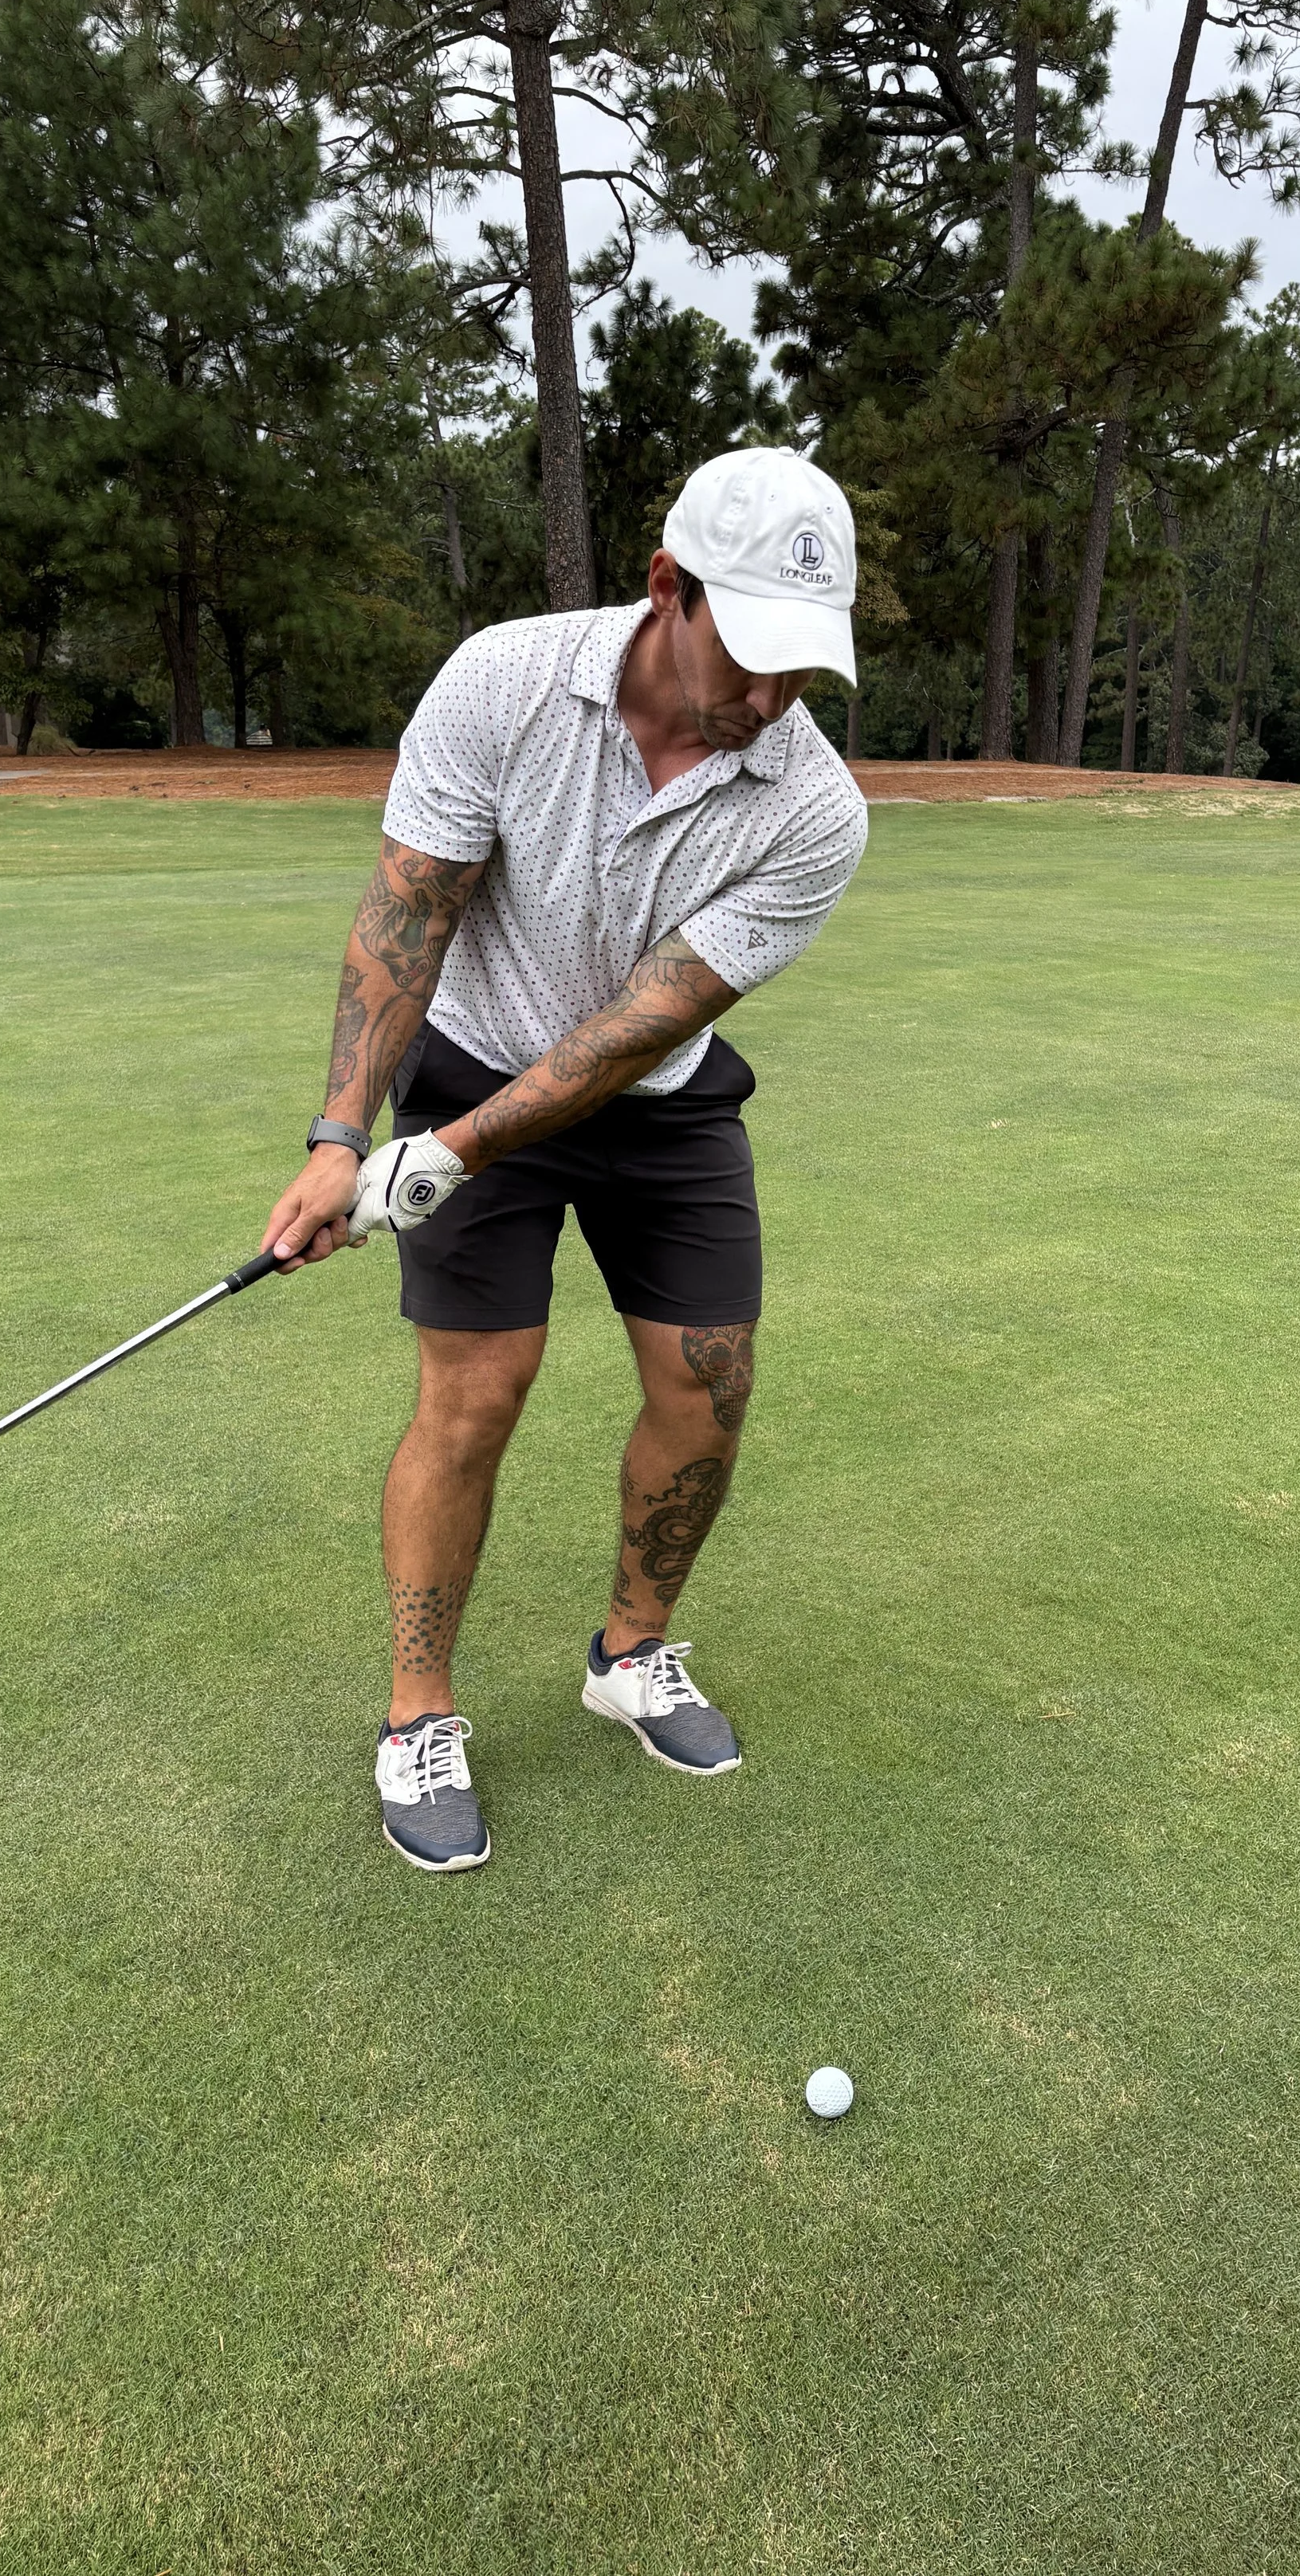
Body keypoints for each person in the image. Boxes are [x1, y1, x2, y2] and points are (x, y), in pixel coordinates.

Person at [260, 449, 870, 1872]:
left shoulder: (815, 811)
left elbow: (627, 1037)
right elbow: (409, 918)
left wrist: (444, 1159)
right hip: (470, 1054)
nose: (774, 702)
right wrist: (345, 1135)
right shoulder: (504, 681)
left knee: (710, 1378)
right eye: (754, 657)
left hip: (651, 1100)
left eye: (806, 673)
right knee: (478, 1391)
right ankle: (419, 1711)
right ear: (669, 588)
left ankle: (630, 1652)